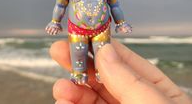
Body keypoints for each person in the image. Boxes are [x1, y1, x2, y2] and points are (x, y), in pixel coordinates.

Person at [50, 40, 192, 104]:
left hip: (100, 29)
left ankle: (99, 71)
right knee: (76, 50)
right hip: (79, 28)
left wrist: (120, 22)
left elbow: (114, 5)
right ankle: (79, 72)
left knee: (100, 50)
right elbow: (61, 5)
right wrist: (55, 21)